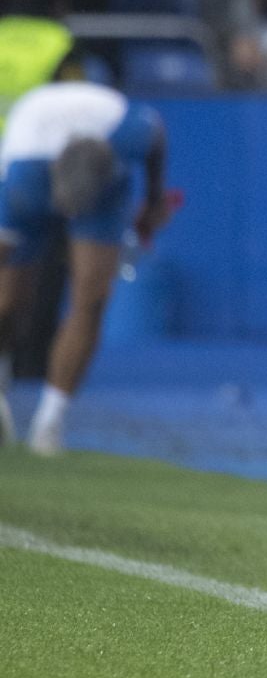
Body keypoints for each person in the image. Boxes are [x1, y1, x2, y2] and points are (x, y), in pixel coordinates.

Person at [0, 73, 171, 454]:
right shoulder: (17, 176)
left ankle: (50, 421)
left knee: (91, 300)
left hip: (98, 165)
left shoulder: (128, 136)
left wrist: (154, 200)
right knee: (8, 300)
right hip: (32, 168)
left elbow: (157, 134)